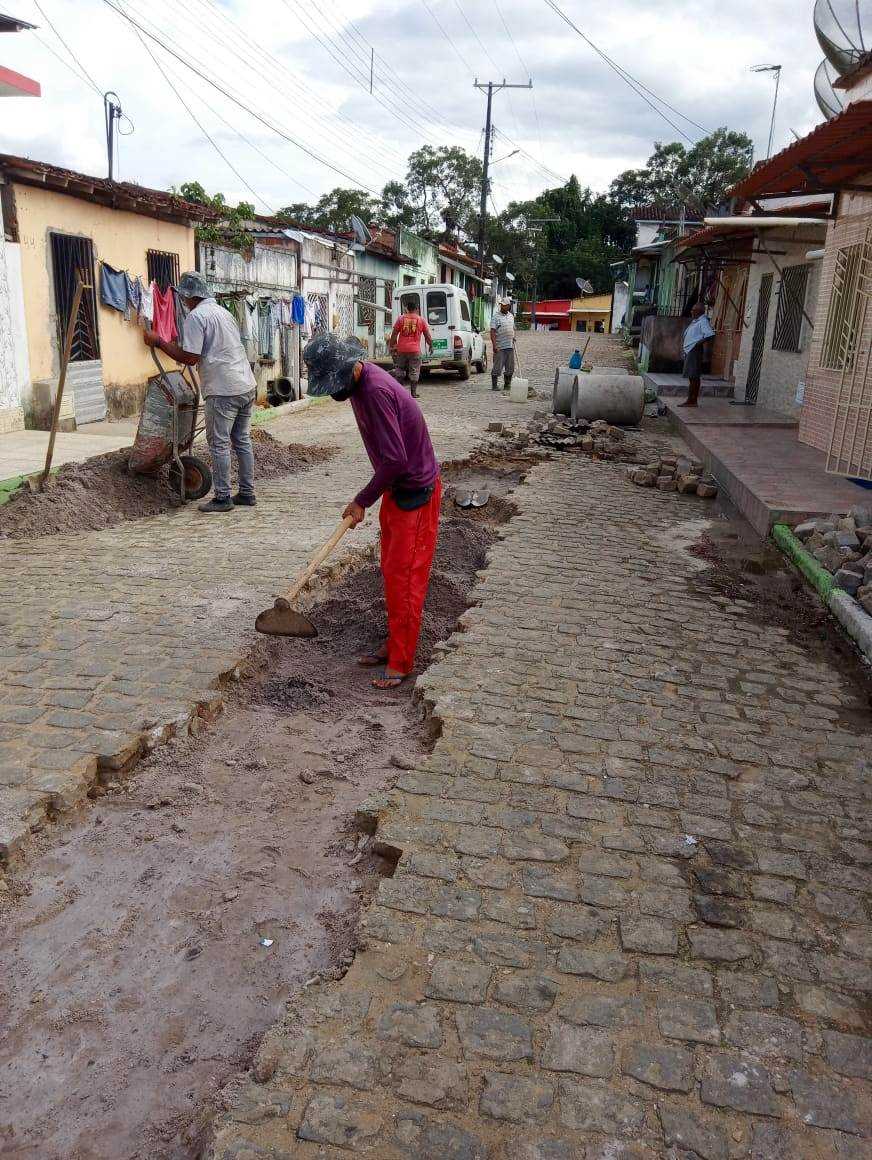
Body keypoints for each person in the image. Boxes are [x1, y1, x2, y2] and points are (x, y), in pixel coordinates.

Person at [302, 334, 441, 690]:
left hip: (417, 494)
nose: (333, 393)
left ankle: (401, 662)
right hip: (398, 489)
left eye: (333, 383)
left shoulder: (376, 392)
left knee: (406, 579)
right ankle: (394, 644)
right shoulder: (358, 386)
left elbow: (395, 459)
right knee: (392, 573)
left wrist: (362, 499)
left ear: (349, 368)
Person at [143, 271, 257, 512]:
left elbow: (190, 358)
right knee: (242, 440)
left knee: (219, 443)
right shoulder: (223, 312)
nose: (183, 301)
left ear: (188, 296)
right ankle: (247, 493)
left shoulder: (197, 317)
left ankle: (223, 497)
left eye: (183, 297)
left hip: (223, 388)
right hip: (245, 383)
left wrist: (159, 342)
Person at [388, 297, 432, 398]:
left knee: (399, 369)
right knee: (414, 370)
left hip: (401, 349)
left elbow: (394, 334)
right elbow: (427, 335)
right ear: (416, 309)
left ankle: (400, 392)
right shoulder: (421, 320)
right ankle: (413, 393)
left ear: (407, 308)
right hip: (415, 350)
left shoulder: (400, 319)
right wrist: (431, 345)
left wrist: (392, 346)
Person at [679, 302, 716, 407]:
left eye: (693, 310)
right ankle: (691, 400)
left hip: (694, 352)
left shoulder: (703, 321)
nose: (691, 312)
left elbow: (710, 334)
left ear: (699, 312)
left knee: (694, 376)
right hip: (690, 351)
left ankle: (692, 400)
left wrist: (696, 344)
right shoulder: (696, 321)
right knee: (692, 377)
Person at [490, 297, 516, 392]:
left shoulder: (511, 316)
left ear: (508, 306)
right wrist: (494, 345)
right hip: (500, 346)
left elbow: (512, 328)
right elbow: (492, 332)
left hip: (510, 345)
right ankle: (494, 385)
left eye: (505, 305)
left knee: (510, 367)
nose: (503, 306)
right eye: (502, 305)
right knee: (497, 367)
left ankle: (507, 384)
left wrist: (513, 336)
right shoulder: (495, 317)